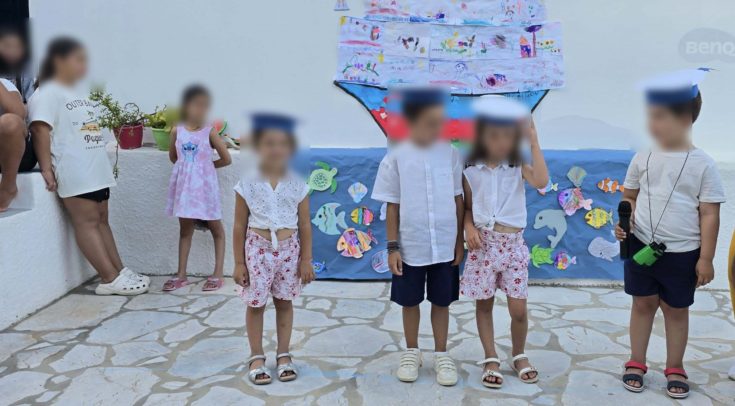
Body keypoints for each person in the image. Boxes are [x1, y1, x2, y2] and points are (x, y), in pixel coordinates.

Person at [615, 68, 725, 399]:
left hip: (682, 253)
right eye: (651, 116)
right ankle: (636, 361)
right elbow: (629, 195)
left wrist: (706, 258)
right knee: (642, 304)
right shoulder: (643, 157)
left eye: (660, 117)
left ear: (686, 119)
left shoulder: (703, 165)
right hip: (641, 247)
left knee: (676, 310)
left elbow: (710, 213)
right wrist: (624, 221)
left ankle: (675, 366)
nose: (652, 124)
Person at [28, 37, 149, 294]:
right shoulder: (47, 93)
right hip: (74, 169)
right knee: (87, 221)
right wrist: (47, 168)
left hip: (95, 168)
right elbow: (40, 129)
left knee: (102, 219)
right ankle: (108, 278)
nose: (84, 65)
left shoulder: (76, 92)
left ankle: (119, 270)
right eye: (78, 60)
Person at [371, 87, 464, 386]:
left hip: (445, 245)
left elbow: (458, 198)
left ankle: (441, 354)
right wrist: (393, 247)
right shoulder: (396, 158)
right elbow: (392, 205)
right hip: (411, 246)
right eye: (429, 122)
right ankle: (412, 351)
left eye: (439, 122)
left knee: (442, 301)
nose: (436, 128)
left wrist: (459, 241)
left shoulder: (451, 154)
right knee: (409, 301)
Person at [461, 95, 549, 388]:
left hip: (512, 248)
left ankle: (519, 354)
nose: (501, 142)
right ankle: (490, 357)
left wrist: (533, 141)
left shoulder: (517, 166)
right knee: (484, 304)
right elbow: (467, 207)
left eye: (507, 136)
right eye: (493, 135)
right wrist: (468, 227)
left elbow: (541, 181)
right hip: (483, 246)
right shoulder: (470, 170)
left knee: (518, 309)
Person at [232, 113, 315, 385]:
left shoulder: (298, 184)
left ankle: (283, 354)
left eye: (282, 143)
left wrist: (306, 259)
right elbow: (238, 225)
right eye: (269, 143)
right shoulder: (247, 183)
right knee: (256, 304)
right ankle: (256, 356)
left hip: (289, 252)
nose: (276, 149)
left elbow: (305, 224)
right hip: (257, 251)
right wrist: (239, 263)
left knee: (284, 302)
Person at [163, 85, 231, 292]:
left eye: (204, 106)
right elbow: (174, 158)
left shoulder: (210, 132)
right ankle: (181, 274)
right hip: (185, 190)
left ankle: (218, 273)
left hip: (205, 189)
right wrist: (189, 168)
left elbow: (226, 159)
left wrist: (205, 168)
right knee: (185, 229)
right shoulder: (177, 131)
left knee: (215, 228)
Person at [0, 75, 26, 211]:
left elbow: (19, 113)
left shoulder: (4, 84)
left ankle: (8, 187)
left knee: (10, 122)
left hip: (12, 151)